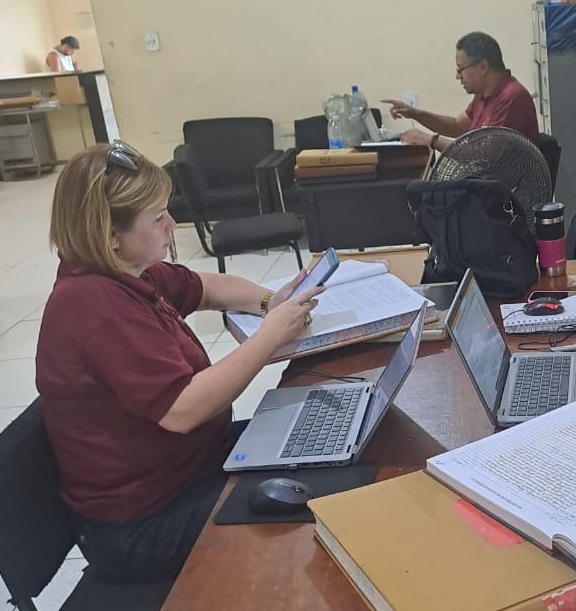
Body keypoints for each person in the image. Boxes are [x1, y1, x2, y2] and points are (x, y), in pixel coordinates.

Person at [35, 141, 322, 583]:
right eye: (158, 218)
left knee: (316, 440)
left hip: (194, 467)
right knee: (318, 507)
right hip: (143, 522)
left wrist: (270, 301)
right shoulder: (94, 305)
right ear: (110, 234)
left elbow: (206, 287)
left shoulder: (128, 270)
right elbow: (183, 409)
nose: (172, 224)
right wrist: (270, 336)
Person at [382, 31, 539, 151]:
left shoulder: (511, 97)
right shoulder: (483, 94)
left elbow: (484, 157)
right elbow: (456, 126)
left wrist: (431, 140)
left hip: (505, 184)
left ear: (483, 67)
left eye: (461, 69)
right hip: (485, 180)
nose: (458, 77)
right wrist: (414, 113)